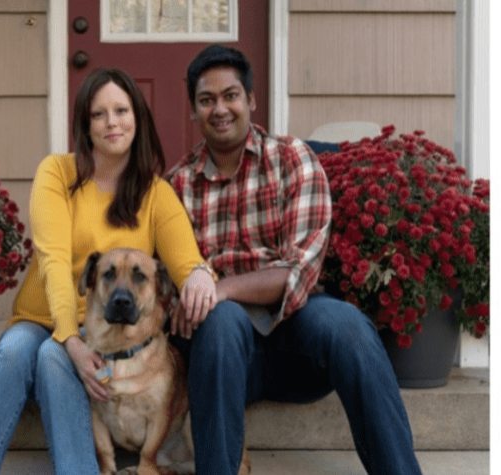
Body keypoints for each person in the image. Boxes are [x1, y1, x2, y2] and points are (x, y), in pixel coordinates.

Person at [165, 44, 423, 475]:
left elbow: (298, 273)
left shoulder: (293, 159)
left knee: (347, 326)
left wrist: (220, 286)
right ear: (193, 110)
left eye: (230, 95)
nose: (220, 109)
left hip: (298, 341)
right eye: (206, 100)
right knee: (222, 320)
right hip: (224, 356)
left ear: (251, 100)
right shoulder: (177, 185)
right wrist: (214, 299)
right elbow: (173, 283)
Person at [0, 68, 217, 475]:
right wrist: (71, 335)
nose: (112, 122)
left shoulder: (156, 193)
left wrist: (198, 273)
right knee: (12, 355)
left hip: (105, 329)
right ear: (84, 125)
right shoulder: (57, 173)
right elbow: (53, 259)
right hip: (43, 319)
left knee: (54, 358)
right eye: (99, 114)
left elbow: (184, 262)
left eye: (122, 110)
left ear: (138, 119)